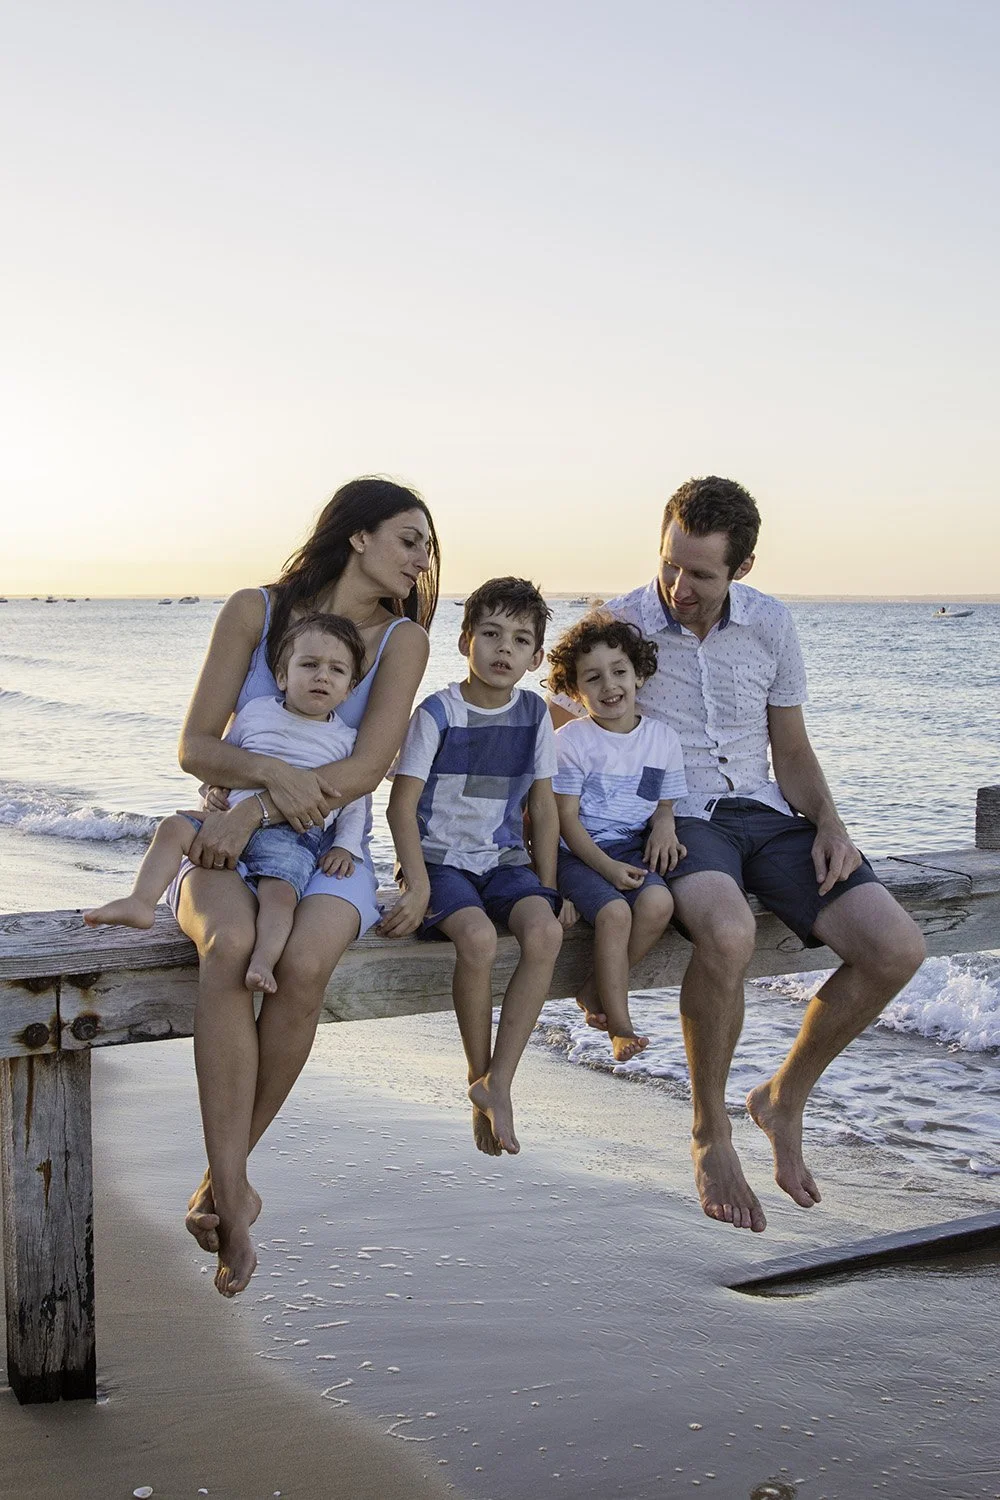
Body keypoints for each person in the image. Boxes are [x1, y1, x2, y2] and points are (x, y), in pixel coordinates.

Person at [550, 476, 926, 1233]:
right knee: (728, 930)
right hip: (679, 819)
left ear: (741, 570)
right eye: (670, 565)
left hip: (767, 810)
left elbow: (790, 747)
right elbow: (562, 739)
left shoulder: (770, 625)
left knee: (897, 947)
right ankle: (709, 1131)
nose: (678, 587)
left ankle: (782, 1099)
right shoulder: (618, 622)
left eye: (701, 574)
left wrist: (830, 823)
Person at [165, 476, 438, 1294]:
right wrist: (253, 800)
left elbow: (363, 768)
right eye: (410, 541)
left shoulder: (402, 643)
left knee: (305, 965)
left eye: (427, 548)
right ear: (357, 536)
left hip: (329, 855)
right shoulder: (254, 611)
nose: (423, 563)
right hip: (227, 844)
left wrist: (261, 809)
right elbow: (194, 746)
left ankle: (225, 1183)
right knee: (231, 944)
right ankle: (233, 1190)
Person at [383, 577, 572, 1157]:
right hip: (439, 861)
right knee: (479, 938)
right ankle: (477, 1074)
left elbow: (541, 806)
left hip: (502, 859)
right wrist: (415, 885)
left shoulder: (535, 713)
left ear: (537, 657)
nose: (503, 649)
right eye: (490, 633)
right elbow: (400, 805)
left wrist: (549, 886)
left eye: (519, 640)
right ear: (466, 640)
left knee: (545, 930)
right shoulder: (437, 712)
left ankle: (500, 1082)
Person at [84, 613, 369, 997]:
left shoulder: (344, 740)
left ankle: (264, 960)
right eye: (309, 665)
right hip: (228, 820)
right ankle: (141, 900)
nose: (322, 676)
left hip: (293, 834)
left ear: (349, 689)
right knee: (172, 827)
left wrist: (342, 846)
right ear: (283, 677)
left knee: (279, 897)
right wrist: (211, 790)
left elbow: (353, 799)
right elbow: (227, 759)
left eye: (336, 670)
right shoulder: (256, 713)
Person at [546, 613, 687, 1062]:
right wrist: (604, 868)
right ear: (575, 691)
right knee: (613, 914)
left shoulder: (663, 739)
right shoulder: (572, 742)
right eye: (593, 677)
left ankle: (593, 988)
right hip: (577, 852)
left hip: (629, 846)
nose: (610, 685)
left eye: (619, 671)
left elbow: (663, 801)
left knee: (659, 903)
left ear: (638, 675)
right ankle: (620, 1027)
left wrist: (665, 822)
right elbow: (565, 821)